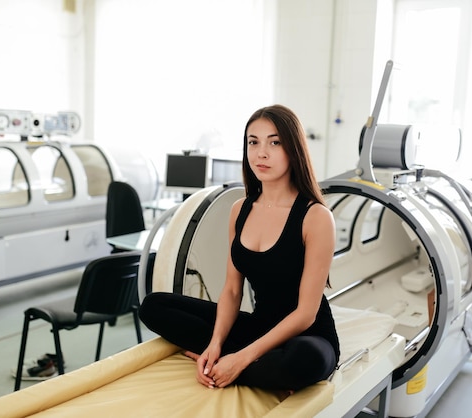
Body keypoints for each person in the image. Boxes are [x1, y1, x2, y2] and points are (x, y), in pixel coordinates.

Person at [138, 104, 339, 393]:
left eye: (275, 142)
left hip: (306, 336)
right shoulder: (239, 210)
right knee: (154, 306)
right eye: (253, 142)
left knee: (301, 361)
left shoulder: (316, 217)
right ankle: (252, 366)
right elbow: (232, 290)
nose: (261, 153)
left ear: (293, 149)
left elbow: (306, 313)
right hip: (259, 327)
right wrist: (215, 344)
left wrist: (240, 359)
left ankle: (246, 367)